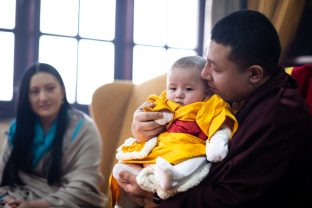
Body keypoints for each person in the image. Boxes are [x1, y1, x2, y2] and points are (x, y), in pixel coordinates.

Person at [116, 10, 312, 208]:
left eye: (216, 68)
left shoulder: (280, 117)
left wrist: (154, 194)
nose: (204, 73)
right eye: (206, 60)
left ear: (254, 74)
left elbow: (231, 200)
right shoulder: (226, 94)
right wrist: (144, 132)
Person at [111, 56, 238, 207]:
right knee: (121, 168)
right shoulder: (166, 102)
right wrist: (149, 118)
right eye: (172, 88)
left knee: (195, 161)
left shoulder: (208, 106)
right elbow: (152, 114)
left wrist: (217, 141)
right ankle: (125, 202)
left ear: (206, 92)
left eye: (189, 89)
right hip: (163, 149)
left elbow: (219, 122)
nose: (178, 94)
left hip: (190, 148)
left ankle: (173, 178)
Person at [0, 63, 107, 208]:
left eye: (50, 88)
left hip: (65, 203)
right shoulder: (17, 129)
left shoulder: (85, 129)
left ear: (62, 91)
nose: (43, 98)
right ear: (27, 97)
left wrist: (33, 206)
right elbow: (3, 176)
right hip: (17, 198)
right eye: (34, 91)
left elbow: (84, 185)